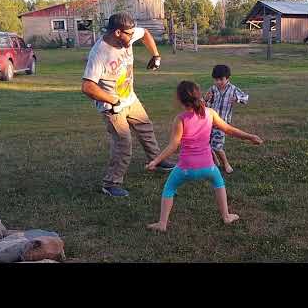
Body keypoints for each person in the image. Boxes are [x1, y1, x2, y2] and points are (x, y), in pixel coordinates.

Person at [146, 81, 263, 232]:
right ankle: (226, 216)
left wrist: (155, 161)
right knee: (219, 183)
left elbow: (173, 146)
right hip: (208, 167)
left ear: (180, 100)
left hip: (185, 169)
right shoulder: (210, 113)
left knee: (169, 188)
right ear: (198, 95)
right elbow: (228, 129)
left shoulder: (180, 119)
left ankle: (162, 224)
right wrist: (250, 136)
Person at [81, 12, 174, 197]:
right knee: (124, 143)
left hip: (130, 98)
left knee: (146, 128)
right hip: (112, 107)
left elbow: (145, 33)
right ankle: (111, 183)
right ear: (117, 32)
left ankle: (157, 160)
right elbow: (87, 86)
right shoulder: (99, 53)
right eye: (129, 34)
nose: (133, 36)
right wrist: (113, 100)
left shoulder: (127, 36)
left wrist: (156, 55)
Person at [204, 64, 249, 174]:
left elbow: (245, 98)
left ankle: (226, 163)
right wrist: (206, 99)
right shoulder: (213, 89)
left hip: (222, 124)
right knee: (206, 144)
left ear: (227, 78)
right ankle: (215, 162)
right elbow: (206, 103)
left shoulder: (233, 89)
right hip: (209, 122)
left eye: (221, 79)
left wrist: (237, 99)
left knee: (217, 146)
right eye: (216, 79)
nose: (218, 82)